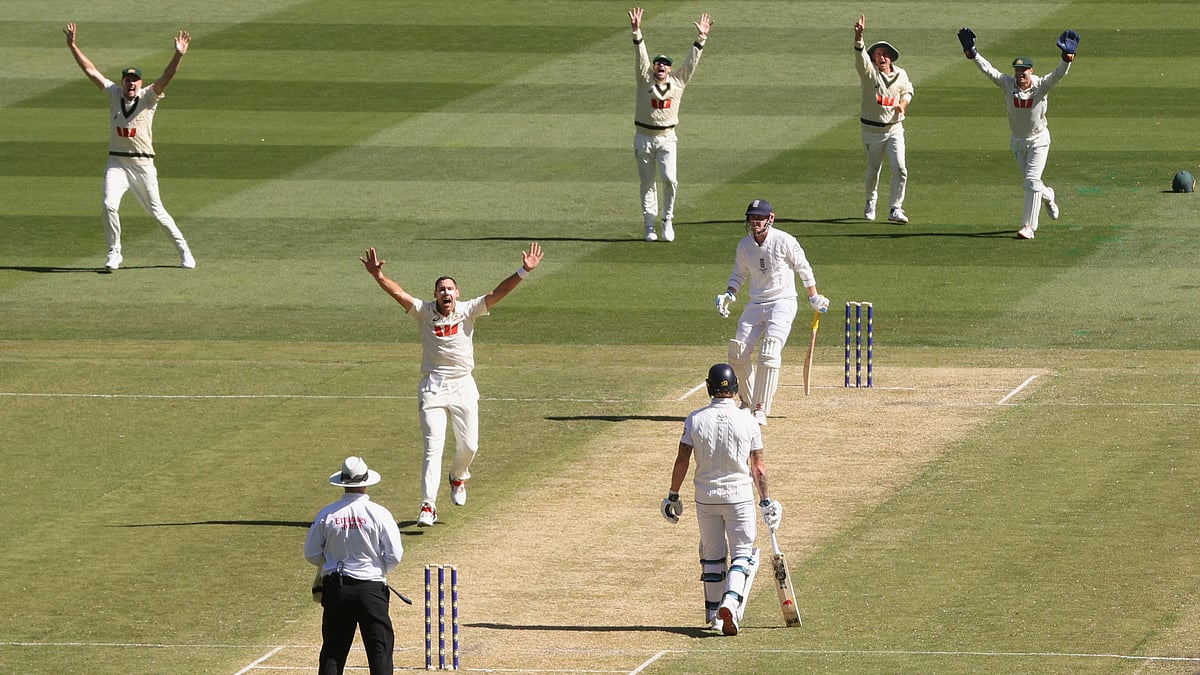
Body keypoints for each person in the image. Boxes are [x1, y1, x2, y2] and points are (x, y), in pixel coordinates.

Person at [360, 243, 544, 527]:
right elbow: (398, 293)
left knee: (469, 445)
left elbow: (499, 293)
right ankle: (428, 506)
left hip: (463, 385)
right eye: (441, 289)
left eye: (450, 289)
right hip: (433, 387)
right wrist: (378, 276)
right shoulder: (423, 311)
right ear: (435, 294)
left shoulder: (469, 310)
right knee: (433, 446)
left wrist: (524, 271)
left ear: (457, 293)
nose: (446, 292)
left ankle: (459, 477)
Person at [661, 363, 782, 636]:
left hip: (706, 498)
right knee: (743, 555)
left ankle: (716, 616)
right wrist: (766, 501)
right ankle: (730, 601)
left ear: (708, 387)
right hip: (739, 498)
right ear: (736, 388)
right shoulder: (749, 420)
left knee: (713, 557)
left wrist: (672, 494)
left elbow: (682, 460)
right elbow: (758, 467)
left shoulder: (694, 419)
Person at [63, 23, 195, 271]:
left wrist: (178, 54)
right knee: (108, 205)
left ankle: (184, 250)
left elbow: (166, 78)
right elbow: (91, 71)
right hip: (117, 163)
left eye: (135, 81)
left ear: (140, 83)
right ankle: (115, 251)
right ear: (122, 82)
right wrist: (72, 46)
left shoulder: (148, 97)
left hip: (143, 165)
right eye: (127, 80)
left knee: (158, 213)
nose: (131, 84)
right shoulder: (114, 94)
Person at [958, 27, 1080, 240]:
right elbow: (989, 70)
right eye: (1017, 71)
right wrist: (973, 53)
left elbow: (1059, 74)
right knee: (1031, 183)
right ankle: (1049, 195)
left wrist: (1066, 58)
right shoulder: (1007, 84)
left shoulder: (1040, 86)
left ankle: (1028, 227)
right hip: (1017, 141)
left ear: (1031, 71)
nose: (1019, 74)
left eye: (1023, 71)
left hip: (1038, 140)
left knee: (1032, 181)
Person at [716, 199, 829, 426]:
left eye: (759, 218)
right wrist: (728, 294)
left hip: (783, 302)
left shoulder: (785, 240)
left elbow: (803, 268)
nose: (755, 222)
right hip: (756, 304)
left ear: (771, 219)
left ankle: (760, 409)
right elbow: (738, 275)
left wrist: (814, 297)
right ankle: (748, 402)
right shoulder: (744, 246)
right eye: (752, 218)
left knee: (770, 350)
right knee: (736, 352)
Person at [305, 456, 403, 675]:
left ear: (342, 482)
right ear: (365, 482)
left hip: (337, 588)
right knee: (380, 651)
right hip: (371, 589)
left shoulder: (327, 514)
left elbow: (311, 553)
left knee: (333, 651)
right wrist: (377, 571)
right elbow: (395, 555)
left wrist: (331, 561)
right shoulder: (380, 513)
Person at [628, 7, 713, 243]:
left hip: (667, 138)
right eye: (658, 64)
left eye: (665, 64)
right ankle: (649, 226)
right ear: (654, 67)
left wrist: (701, 38)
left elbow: (691, 63)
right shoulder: (644, 79)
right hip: (643, 137)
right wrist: (637, 32)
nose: (661, 67)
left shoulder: (678, 82)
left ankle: (667, 220)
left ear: (669, 68)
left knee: (670, 179)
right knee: (647, 183)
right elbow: (641, 57)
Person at [853, 14, 913, 224]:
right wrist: (859, 36)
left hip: (895, 128)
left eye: (885, 54)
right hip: (872, 131)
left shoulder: (901, 74)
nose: (882, 58)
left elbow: (908, 91)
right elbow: (861, 61)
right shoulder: (869, 74)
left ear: (891, 57)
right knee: (873, 171)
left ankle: (895, 208)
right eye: (878, 54)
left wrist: (902, 105)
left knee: (900, 168)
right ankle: (871, 200)